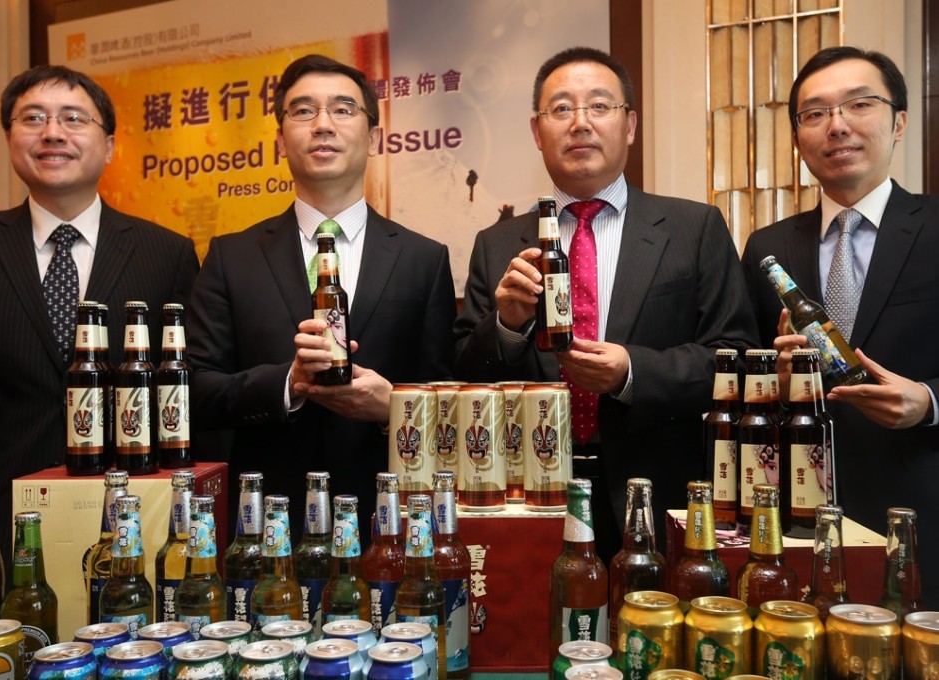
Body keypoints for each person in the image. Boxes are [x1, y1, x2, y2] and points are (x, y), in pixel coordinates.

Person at [453, 46, 759, 563]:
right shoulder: (496, 243)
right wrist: (505, 325)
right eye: (561, 109)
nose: (580, 124)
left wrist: (633, 371)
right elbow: (461, 375)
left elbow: (738, 358)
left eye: (599, 106)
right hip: (529, 497)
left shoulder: (692, 229)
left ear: (630, 124)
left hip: (656, 489)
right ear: (536, 130)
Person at [0, 65, 199, 566]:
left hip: (135, 519)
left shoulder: (167, 253)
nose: (52, 133)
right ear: (9, 139)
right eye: (33, 118)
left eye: (73, 118)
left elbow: (190, 389)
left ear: (109, 145)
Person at [187, 54, 456, 535]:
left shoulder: (424, 259)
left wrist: (393, 407)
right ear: (280, 140)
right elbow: (197, 391)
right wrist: (287, 385)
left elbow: (444, 395)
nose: (323, 125)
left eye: (343, 109)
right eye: (304, 111)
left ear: (374, 138)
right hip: (266, 522)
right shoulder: (231, 257)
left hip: (389, 521)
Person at [740, 46, 938, 608]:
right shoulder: (768, 247)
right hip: (797, 517)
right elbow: (741, 366)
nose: (838, 126)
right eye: (816, 113)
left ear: (899, 121)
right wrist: (771, 382)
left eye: (859, 104)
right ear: (799, 136)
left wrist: (928, 401)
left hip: (918, 508)